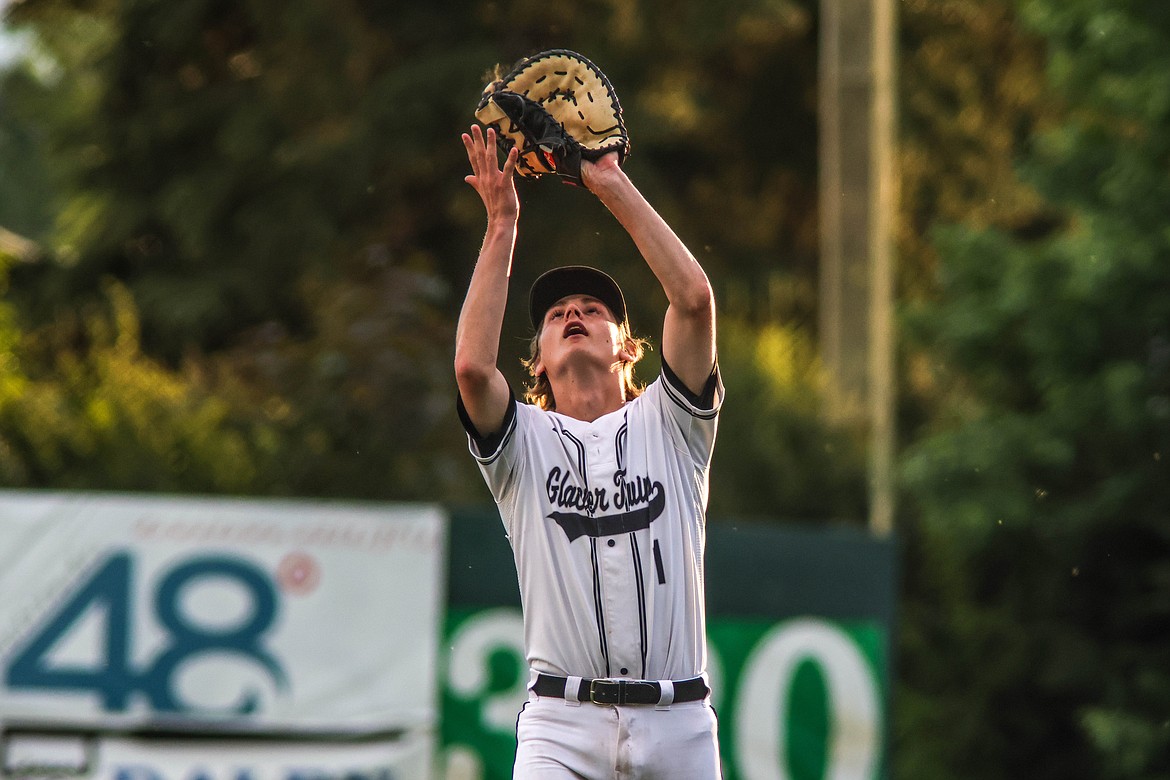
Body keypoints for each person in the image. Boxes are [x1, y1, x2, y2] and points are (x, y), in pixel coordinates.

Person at [455, 123, 724, 779]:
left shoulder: (674, 424)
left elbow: (693, 299)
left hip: (679, 721)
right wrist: (501, 226)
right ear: (538, 363)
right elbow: (469, 369)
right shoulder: (521, 446)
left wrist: (608, 182)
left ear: (627, 348)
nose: (573, 312)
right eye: (556, 315)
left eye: (594, 309)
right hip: (560, 724)